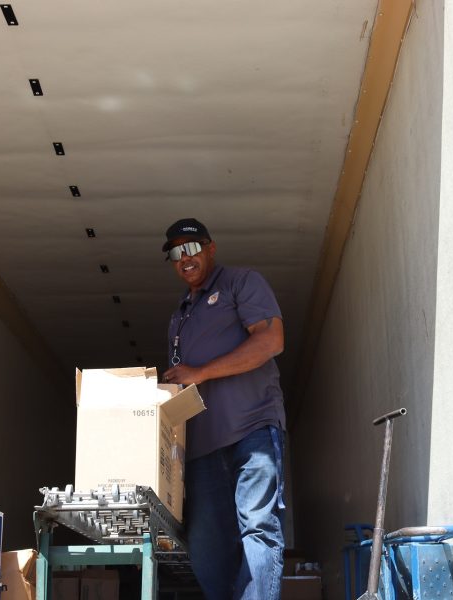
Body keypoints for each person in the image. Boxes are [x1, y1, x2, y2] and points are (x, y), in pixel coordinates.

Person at [161, 218, 287, 600]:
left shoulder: (240, 283)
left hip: (252, 431)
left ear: (210, 248)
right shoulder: (179, 315)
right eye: (174, 252)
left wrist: (200, 372)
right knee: (205, 547)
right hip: (202, 450)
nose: (183, 258)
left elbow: (271, 341)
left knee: (258, 526)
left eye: (191, 247)